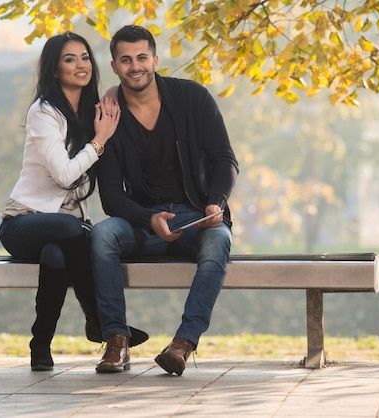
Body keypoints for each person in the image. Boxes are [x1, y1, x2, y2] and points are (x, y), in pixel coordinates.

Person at [91, 25, 239, 375]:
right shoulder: (109, 117)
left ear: (155, 60)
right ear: (114, 66)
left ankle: (184, 343)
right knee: (101, 235)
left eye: (142, 57)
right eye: (125, 60)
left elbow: (224, 159)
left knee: (219, 239)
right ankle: (116, 340)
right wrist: (148, 219)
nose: (135, 66)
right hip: (142, 221)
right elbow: (110, 194)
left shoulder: (192, 98)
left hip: (195, 218)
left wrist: (215, 203)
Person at [0, 32, 148, 372]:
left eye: (84, 58)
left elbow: (114, 100)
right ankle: (102, 323)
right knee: (76, 229)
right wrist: (99, 142)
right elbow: (65, 176)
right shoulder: (44, 112)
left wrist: (110, 98)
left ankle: (40, 347)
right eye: (69, 59)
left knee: (56, 255)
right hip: (22, 223)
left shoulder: (90, 112)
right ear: (54, 69)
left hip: (63, 232)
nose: (80, 65)